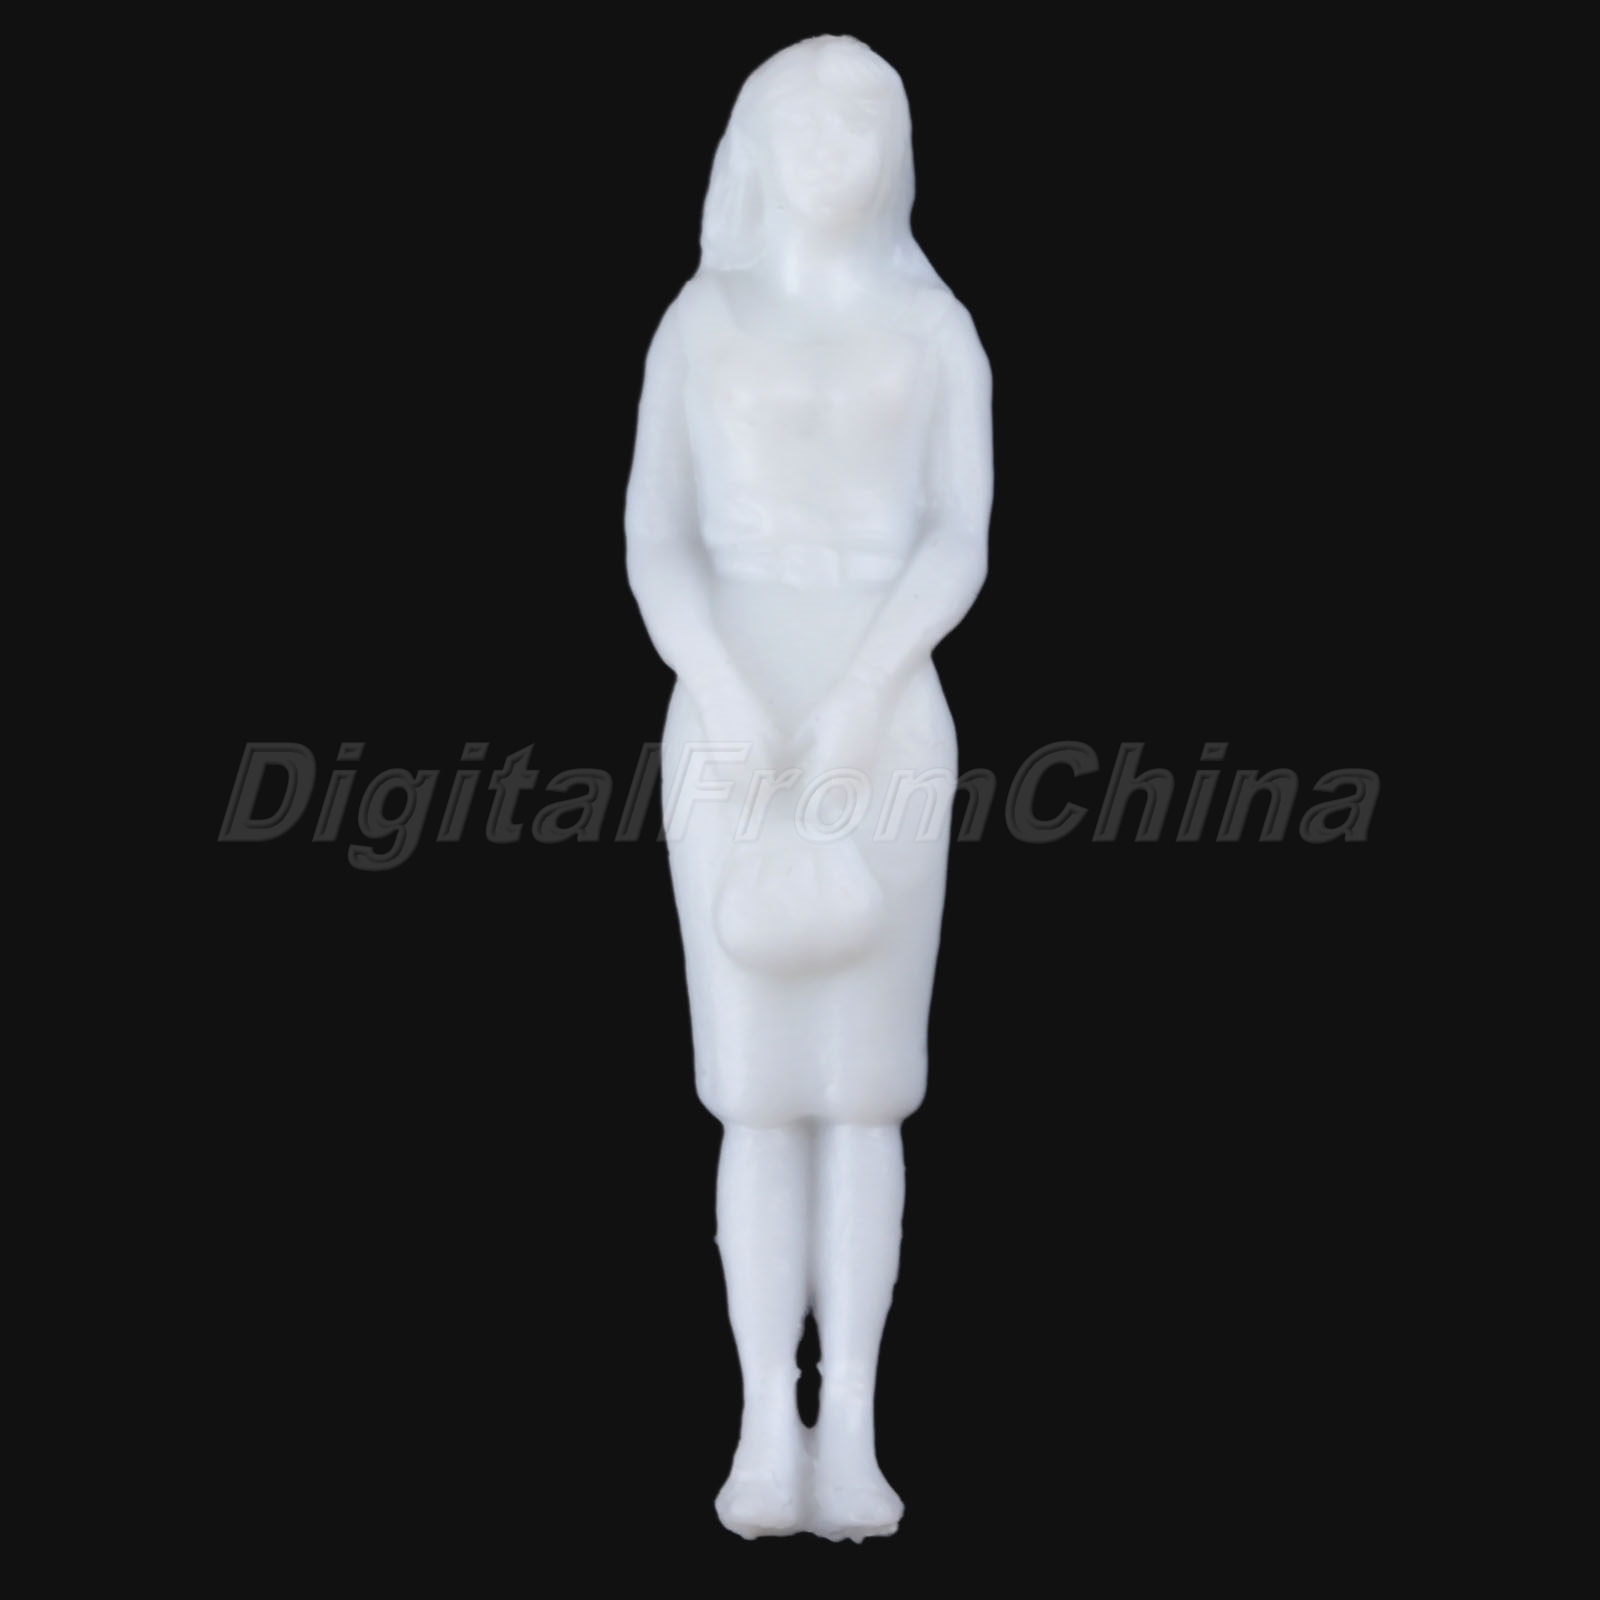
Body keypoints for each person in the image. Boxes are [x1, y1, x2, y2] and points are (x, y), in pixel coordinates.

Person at [624, 35, 992, 1540]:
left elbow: (959, 535)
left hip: (882, 719)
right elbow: (656, 537)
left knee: (865, 1090)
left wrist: (861, 690)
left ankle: (857, 1431)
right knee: (756, 1093)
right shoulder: (700, 322)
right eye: (809, 119)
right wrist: (720, 682)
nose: (836, 146)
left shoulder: (935, 328)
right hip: (732, 718)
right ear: (757, 142)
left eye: (865, 120)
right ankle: (762, 1428)